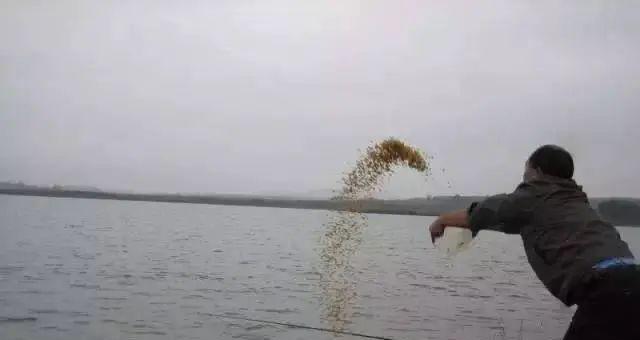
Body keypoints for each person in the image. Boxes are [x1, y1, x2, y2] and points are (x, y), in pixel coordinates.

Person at [429, 145, 639, 340]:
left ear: (537, 172)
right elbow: (512, 222)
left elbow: (486, 211)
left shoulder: (534, 195)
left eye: (526, 170)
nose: (523, 177)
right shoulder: (573, 201)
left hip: (607, 290)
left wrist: (442, 220)